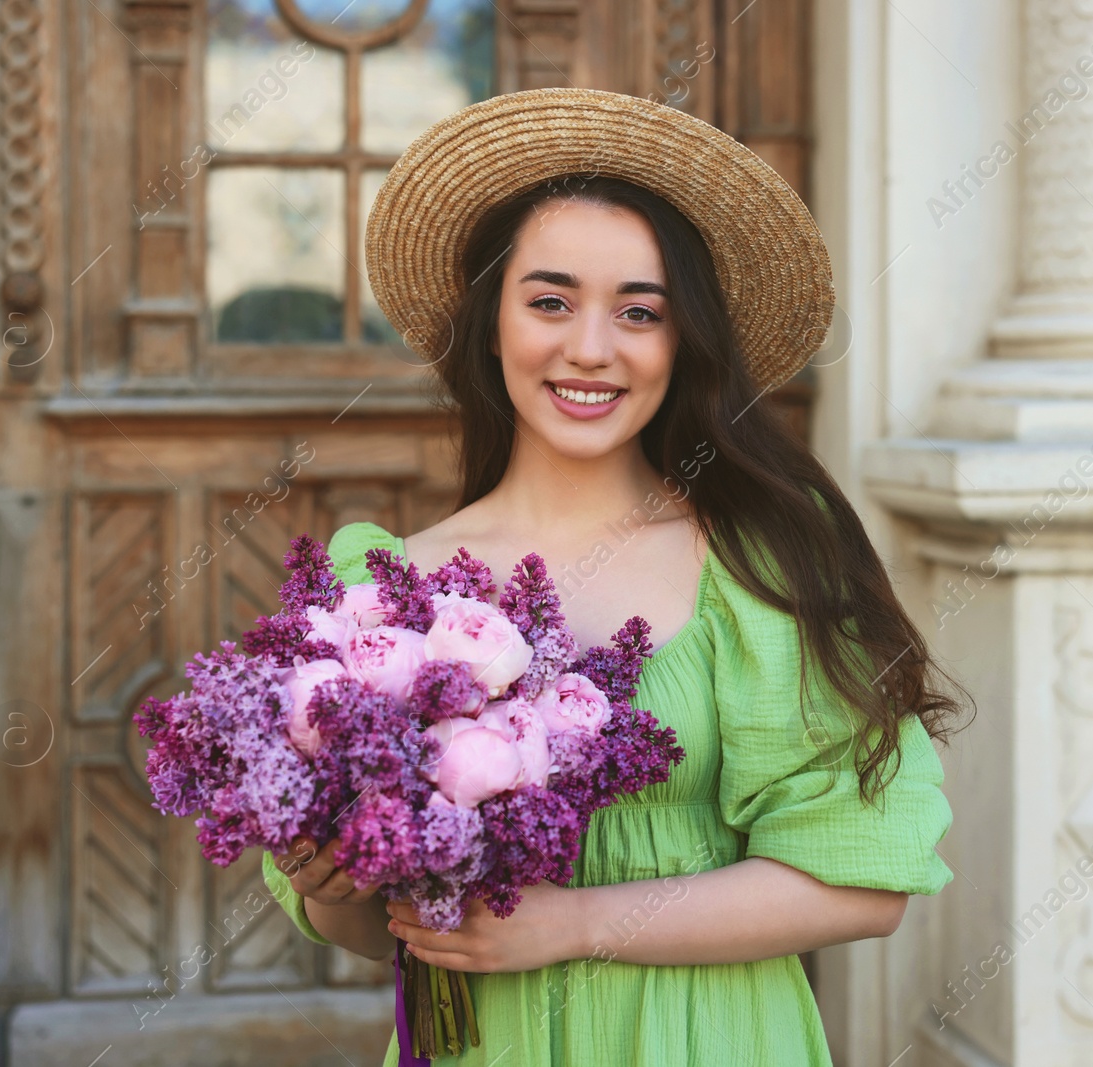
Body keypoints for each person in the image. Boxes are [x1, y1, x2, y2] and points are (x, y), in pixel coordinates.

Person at [262, 86, 968, 1066]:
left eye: (639, 311)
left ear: (683, 343)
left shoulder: (759, 559)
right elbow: (366, 931)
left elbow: (861, 883)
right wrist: (330, 876)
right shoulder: (385, 592)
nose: (590, 347)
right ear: (491, 320)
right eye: (549, 300)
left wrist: (575, 922)